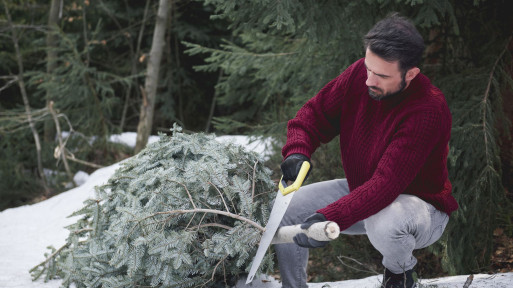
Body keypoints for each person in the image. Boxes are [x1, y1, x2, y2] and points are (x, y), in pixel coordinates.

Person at [277, 13, 458, 288]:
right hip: (364, 192)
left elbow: (387, 184)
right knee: (288, 207)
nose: (368, 80)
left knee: (385, 221)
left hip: (420, 209)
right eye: (368, 68)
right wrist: (297, 151)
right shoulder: (360, 75)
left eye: (382, 75)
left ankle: (401, 274)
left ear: (410, 74)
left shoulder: (428, 109)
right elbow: (312, 115)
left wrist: (329, 217)